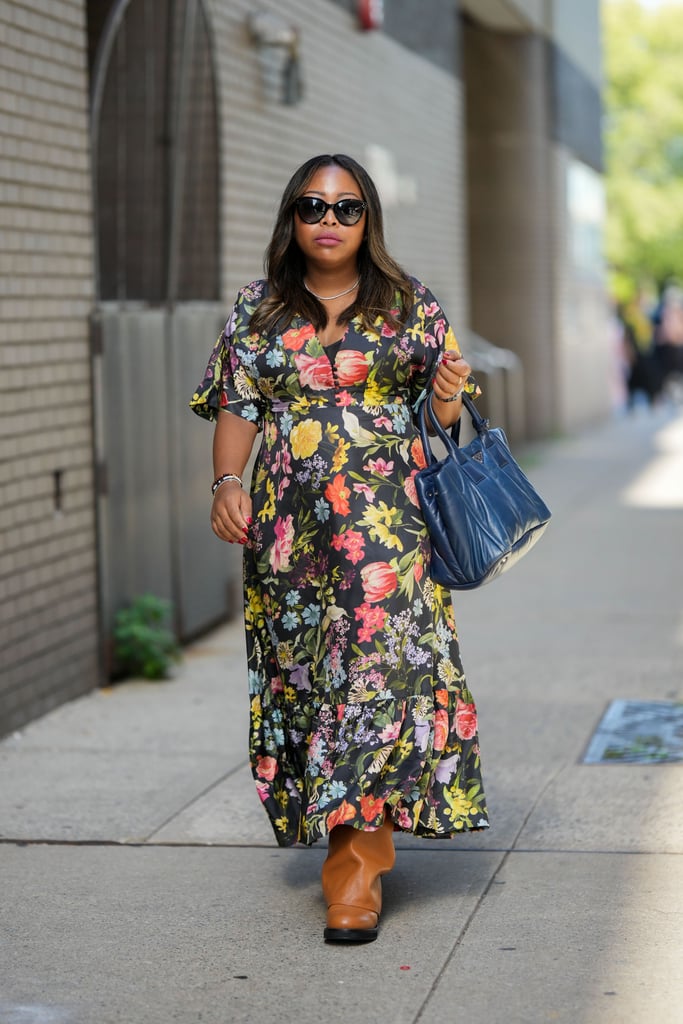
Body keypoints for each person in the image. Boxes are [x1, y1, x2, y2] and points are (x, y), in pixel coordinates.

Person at [190, 154, 488, 943]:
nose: (329, 220)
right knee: (314, 682)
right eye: (313, 206)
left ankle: (354, 877)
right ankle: (343, 835)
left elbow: (443, 418)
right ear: (292, 216)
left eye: (346, 208)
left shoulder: (407, 303)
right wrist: (226, 481)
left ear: (368, 220)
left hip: (389, 529)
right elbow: (238, 404)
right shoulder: (258, 309)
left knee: (375, 679)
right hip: (289, 538)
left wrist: (450, 391)